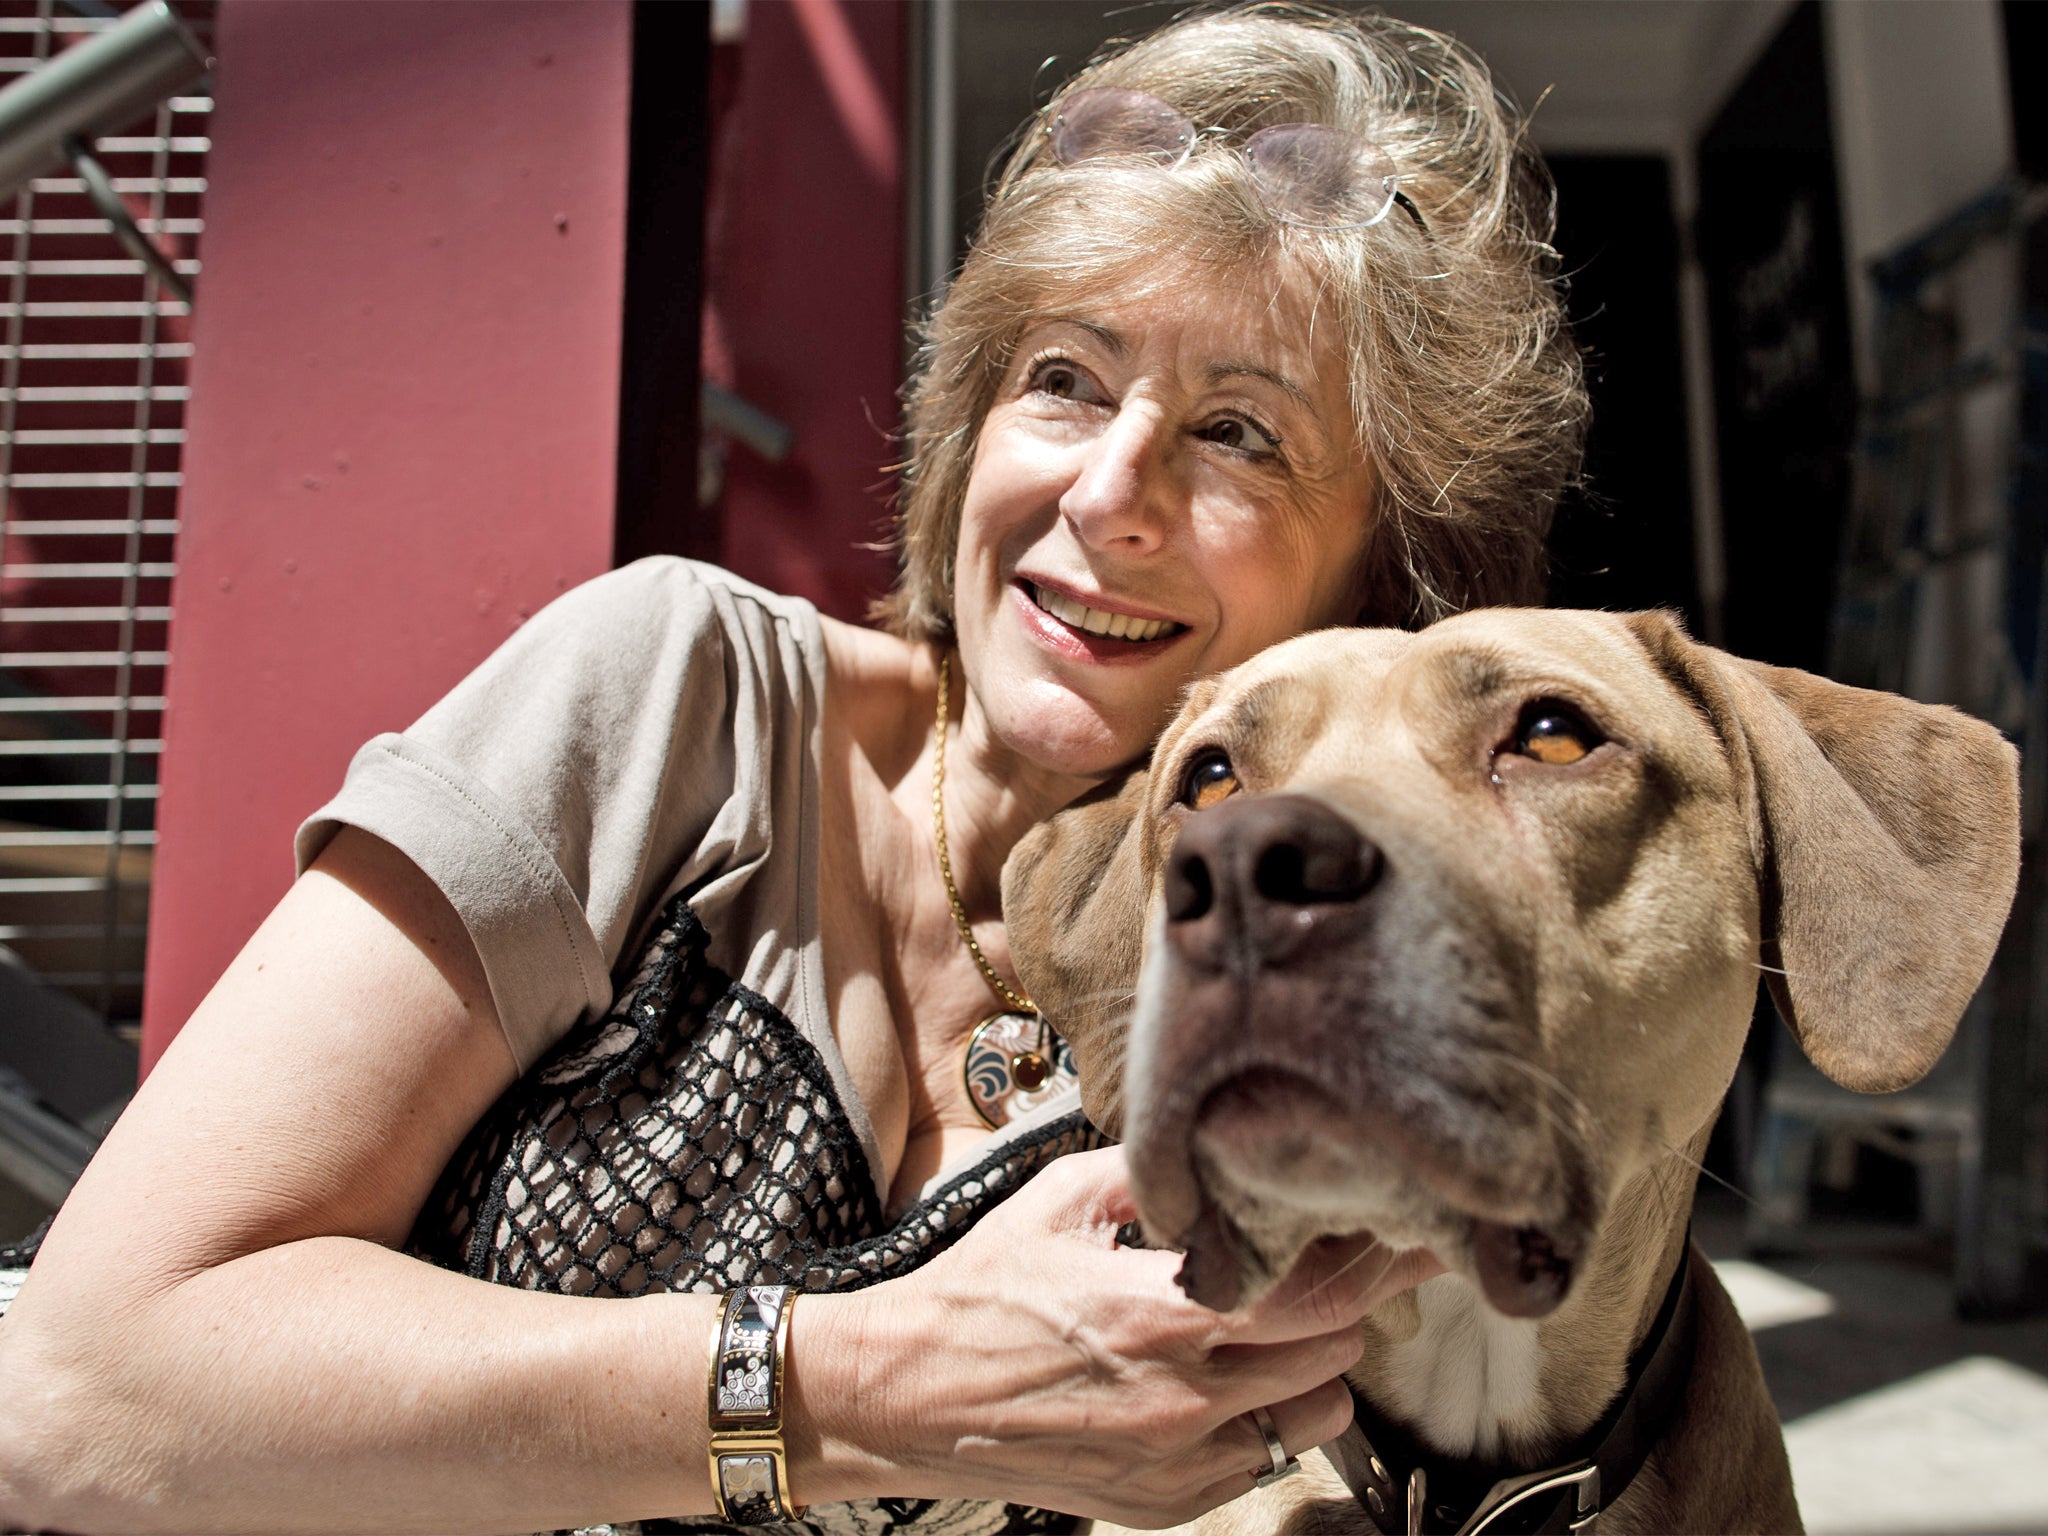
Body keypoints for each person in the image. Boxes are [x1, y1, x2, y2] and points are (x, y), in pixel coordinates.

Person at [0, 6, 1585, 1532]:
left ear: (1387, 587)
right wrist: (849, 1388)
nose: (1111, 494)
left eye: (1240, 433)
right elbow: (72, 1391)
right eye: (1066, 382)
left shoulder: (1309, 982)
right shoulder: (681, 700)